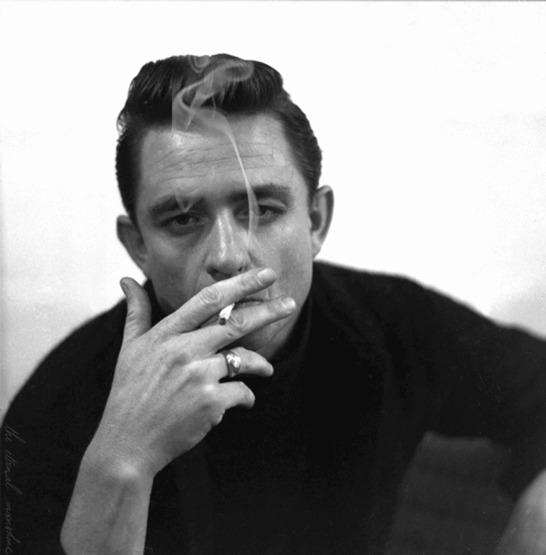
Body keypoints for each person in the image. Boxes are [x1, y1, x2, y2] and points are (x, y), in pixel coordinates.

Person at [2, 53, 546, 555]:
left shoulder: (388, 323)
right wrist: (121, 465)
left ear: (316, 221)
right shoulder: (62, 402)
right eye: (183, 219)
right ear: (138, 245)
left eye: (262, 208)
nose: (228, 256)